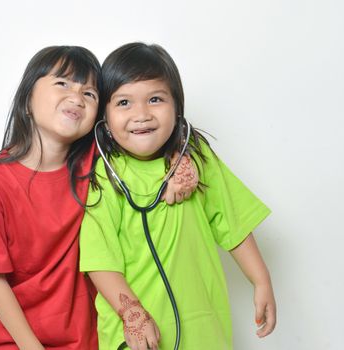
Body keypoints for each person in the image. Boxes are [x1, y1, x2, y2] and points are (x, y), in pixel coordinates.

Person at [0, 45, 198, 349]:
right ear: (27, 99)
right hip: (17, 341)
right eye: (62, 83)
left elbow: (147, 140)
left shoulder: (96, 165)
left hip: (87, 340)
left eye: (90, 94)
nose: (77, 97)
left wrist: (182, 160)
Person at [79, 42, 277, 350]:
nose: (141, 114)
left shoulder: (197, 161)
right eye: (124, 103)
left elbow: (233, 222)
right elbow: (99, 260)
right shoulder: (105, 177)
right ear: (104, 117)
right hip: (136, 335)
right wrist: (132, 312)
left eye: (155, 99)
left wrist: (261, 279)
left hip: (203, 329)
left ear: (177, 107)